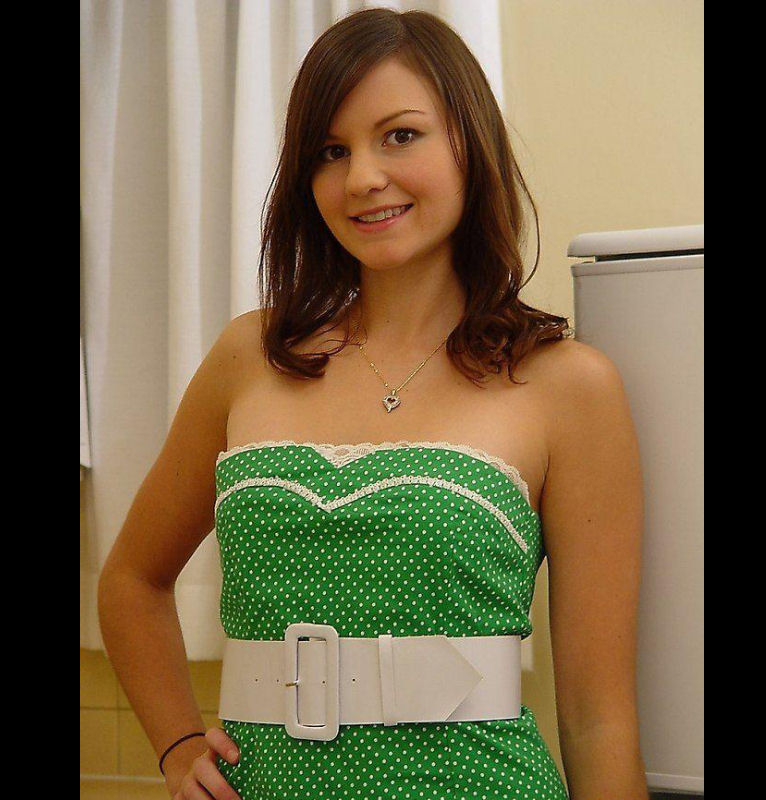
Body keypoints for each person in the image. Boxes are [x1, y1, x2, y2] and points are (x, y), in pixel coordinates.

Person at [97, 8, 648, 800]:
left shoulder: (568, 386)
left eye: (400, 136)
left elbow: (598, 718)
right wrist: (179, 745)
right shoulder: (248, 357)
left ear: (470, 144)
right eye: (331, 151)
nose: (361, 178)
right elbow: (130, 582)